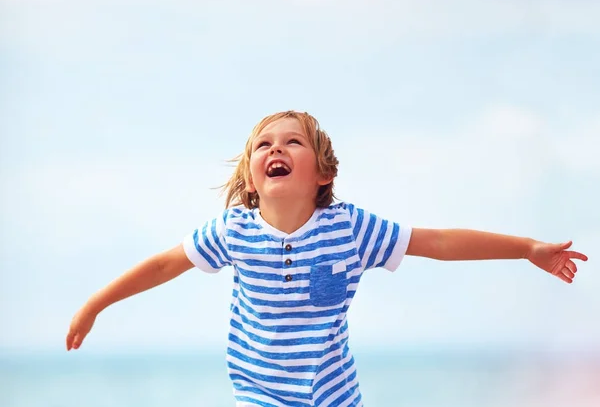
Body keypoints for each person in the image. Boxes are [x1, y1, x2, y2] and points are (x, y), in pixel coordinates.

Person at [66, 110, 588, 406]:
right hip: (260, 396)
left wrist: (527, 250)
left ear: (322, 174)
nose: (277, 149)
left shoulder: (351, 228)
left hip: (335, 397)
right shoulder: (234, 231)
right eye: (264, 145)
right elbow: (164, 264)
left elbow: (440, 243)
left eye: (293, 142)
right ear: (251, 178)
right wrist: (96, 304)